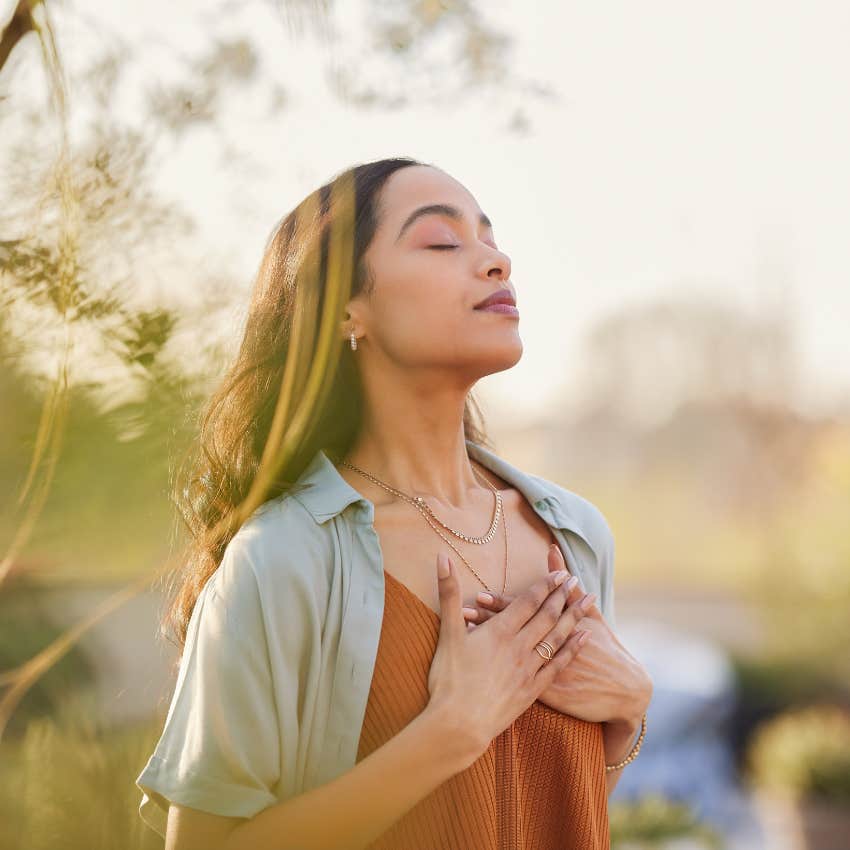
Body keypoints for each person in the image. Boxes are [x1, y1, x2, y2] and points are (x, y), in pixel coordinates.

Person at [135, 156, 653, 849]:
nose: (496, 261)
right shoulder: (282, 559)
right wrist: (449, 733)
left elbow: (548, 806)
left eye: (490, 239)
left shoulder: (577, 534)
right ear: (349, 310)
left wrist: (627, 716)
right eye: (443, 242)